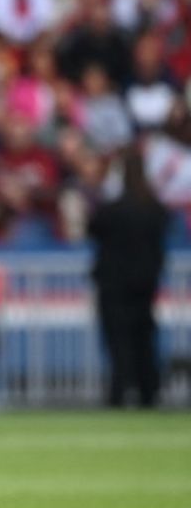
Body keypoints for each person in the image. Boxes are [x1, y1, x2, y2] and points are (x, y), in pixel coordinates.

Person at [88, 149, 170, 407]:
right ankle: (149, 391)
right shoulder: (154, 209)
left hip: (114, 283)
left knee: (118, 339)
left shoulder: (112, 210)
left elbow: (92, 229)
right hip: (145, 282)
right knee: (143, 337)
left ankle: (121, 391)